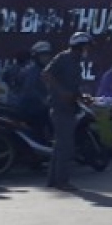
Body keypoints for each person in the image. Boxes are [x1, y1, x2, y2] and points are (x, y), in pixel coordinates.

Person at [43, 31, 92, 190]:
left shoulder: (76, 62)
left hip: (70, 108)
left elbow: (73, 87)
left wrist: (82, 97)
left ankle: (53, 180)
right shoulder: (63, 57)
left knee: (59, 147)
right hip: (60, 108)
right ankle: (62, 181)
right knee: (66, 147)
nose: (87, 50)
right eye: (86, 46)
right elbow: (46, 74)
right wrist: (61, 92)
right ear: (79, 46)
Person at [14, 41, 53, 136]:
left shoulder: (42, 70)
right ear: (36, 57)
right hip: (31, 109)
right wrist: (44, 100)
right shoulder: (33, 70)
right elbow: (30, 89)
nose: (46, 58)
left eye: (48, 55)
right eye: (43, 55)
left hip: (35, 107)